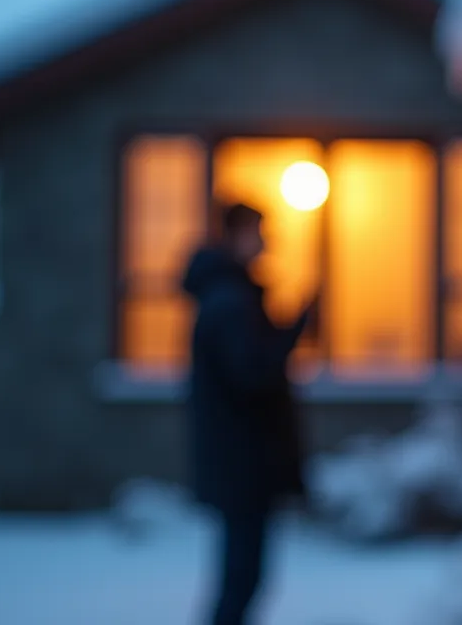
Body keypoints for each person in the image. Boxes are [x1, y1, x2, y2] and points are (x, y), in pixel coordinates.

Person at [181, 203, 317, 625]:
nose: (265, 242)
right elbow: (252, 373)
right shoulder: (229, 302)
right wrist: (294, 331)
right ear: (237, 234)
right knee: (242, 579)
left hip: (242, 462)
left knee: (243, 577)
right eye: (259, 232)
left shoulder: (231, 297)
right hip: (243, 463)